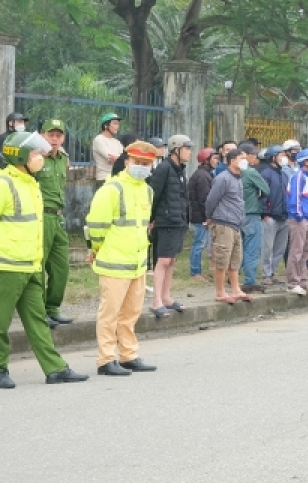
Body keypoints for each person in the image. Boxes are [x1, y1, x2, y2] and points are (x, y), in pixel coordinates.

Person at [0, 131, 88, 388]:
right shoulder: (3, 184)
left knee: (38, 321)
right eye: (36, 154)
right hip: (6, 267)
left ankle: (55, 368)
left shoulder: (32, 184)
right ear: (22, 157)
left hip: (31, 265)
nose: (41, 158)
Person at [86, 140, 159, 376]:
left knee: (130, 314)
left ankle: (128, 355)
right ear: (126, 162)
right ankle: (105, 360)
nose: (142, 166)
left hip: (136, 264)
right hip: (114, 263)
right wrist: (95, 248)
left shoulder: (147, 189)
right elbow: (96, 225)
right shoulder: (111, 189)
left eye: (146, 163)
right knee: (110, 314)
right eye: (137, 162)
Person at [146, 134, 192, 317]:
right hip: (165, 221)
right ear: (176, 150)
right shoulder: (164, 169)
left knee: (171, 260)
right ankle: (156, 301)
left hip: (178, 220)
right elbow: (153, 195)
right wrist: (151, 218)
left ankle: (166, 297)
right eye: (186, 148)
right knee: (163, 260)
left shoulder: (180, 169)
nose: (189, 152)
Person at [36, 119, 73, 328]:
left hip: (58, 217)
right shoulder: (35, 158)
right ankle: (39, 311)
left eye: (59, 135)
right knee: (39, 266)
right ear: (42, 135)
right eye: (51, 134)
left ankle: (53, 307)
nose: (55, 139)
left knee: (61, 267)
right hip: (41, 216)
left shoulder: (63, 158)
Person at [205, 147, 251, 304]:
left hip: (236, 224)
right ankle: (220, 292)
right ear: (232, 161)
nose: (246, 161)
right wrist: (209, 216)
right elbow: (211, 199)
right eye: (242, 158)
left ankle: (236, 289)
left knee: (235, 259)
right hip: (223, 223)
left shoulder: (238, 178)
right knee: (222, 258)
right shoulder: (223, 178)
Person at [236, 143, 270, 293]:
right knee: (251, 249)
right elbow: (267, 190)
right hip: (251, 214)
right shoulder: (250, 173)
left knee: (237, 248)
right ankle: (249, 280)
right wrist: (258, 192)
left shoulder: (231, 172)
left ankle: (234, 278)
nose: (255, 158)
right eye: (253, 155)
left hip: (235, 215)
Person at [285, 148, 308, 295]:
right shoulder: (298, 177)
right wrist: (298, 215)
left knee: (306, 252)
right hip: (300, 219)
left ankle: (304, 281)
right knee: (296, 251)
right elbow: (295, 199)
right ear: (306, 161)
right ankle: (293, 283)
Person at [258, 146, 289, 286]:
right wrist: (264, 213)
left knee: (280, 248)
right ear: (273, 157)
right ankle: (266, 274)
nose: (284, 157)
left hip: (283, 216)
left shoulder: (284, 174)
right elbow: (262, 195)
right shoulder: (266, 174)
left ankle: (273, 272)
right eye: (281, 154)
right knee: (267, 247)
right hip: (270, 216)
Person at [187, 147, 217, 280]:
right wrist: (208, 217)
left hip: (200, 215)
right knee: (199, 244)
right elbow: (204, 199)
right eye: (214, 158)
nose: (217, 161)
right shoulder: (203, 176)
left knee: (200, 243)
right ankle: (195, 272)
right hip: (201, 216)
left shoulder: (204, 174)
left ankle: (197, 270)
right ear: (206, 160)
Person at [91, 112, 123, 186]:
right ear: (106, 126)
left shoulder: (117, 142)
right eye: (115, 123)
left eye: (118, 124)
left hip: (117, 179)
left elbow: (123, 158)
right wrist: (120, 159)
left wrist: (119, 158)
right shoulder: (99, 139)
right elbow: (111, 158)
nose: (117, 126)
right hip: (104, 179)